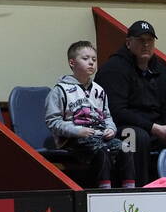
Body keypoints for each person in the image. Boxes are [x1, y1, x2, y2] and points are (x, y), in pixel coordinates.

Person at [95, 20, 166, 185]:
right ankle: (140, 190)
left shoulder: (160, 69)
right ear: (128, 43)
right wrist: (154, 128)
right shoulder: (114, 68)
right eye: (140, 40)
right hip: (120, 127)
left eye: (150, 40)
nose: (146, 45)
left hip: (156, 128)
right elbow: (117, 111)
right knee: (137, 137)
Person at [43, 40, 133, 189]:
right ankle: (104, 191)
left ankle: (129, 191)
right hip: (74, 140)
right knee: (101, 150)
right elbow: (53, 121)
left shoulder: (99, 90)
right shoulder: (60, 90)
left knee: (127, 147)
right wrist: (78, 131)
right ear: (72, 63)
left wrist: (111, 128)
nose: (91, 63)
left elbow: (107, 116)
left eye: (94, 59)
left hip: (99, 135)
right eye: (85, 59)